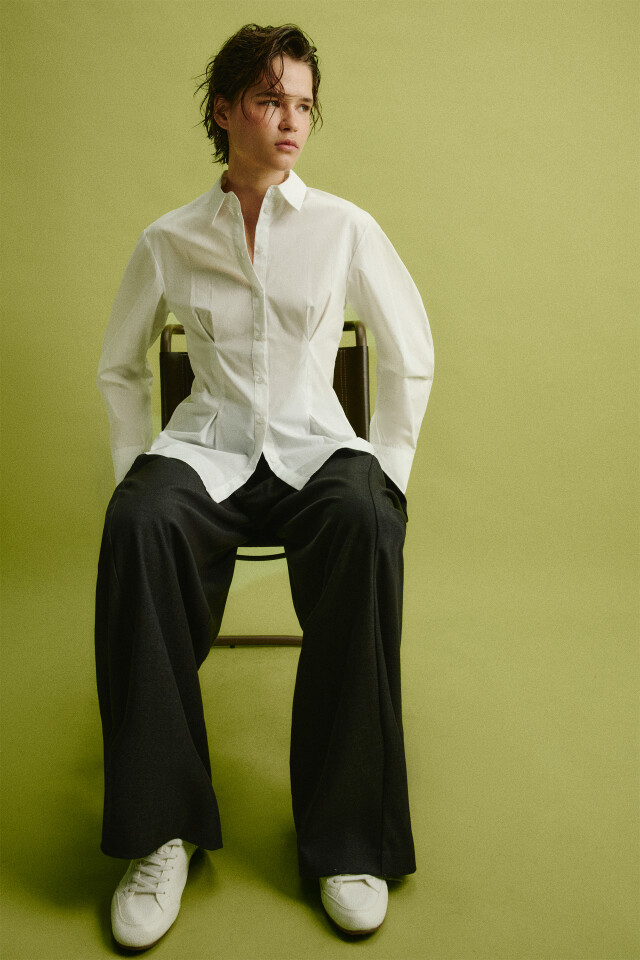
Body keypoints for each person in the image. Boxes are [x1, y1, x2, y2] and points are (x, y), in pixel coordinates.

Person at [95, 22, 434, 951]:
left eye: (304, 105)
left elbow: (410, 352)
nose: (291, 120)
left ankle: (349, 842)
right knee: (137, 524)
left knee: (366, 518)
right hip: (207, 447)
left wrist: (389, 472)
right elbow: (120, 365)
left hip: (316, 446)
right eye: (270, 100)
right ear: (224, 111)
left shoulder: (344, 227)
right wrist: (135, 473)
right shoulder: (169, 238)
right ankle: (160, 833)